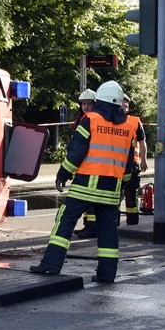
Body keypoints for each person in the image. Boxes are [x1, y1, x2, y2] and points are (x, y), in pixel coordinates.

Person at [30, 81, 136, 283]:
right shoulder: (128, 126)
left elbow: (76, 151)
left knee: (66, 220)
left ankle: (51, 264)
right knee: (108, 231)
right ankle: (107, 274)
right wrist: (123, 185)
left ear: (100, 101)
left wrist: (63, 173)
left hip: (85, 185)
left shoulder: (91, 120)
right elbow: (129, 163)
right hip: (111, 190)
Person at [72, 88, 100, 239]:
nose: (86, 107)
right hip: (84, 165)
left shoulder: (95, 120)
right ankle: (87, 226)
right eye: (83, 104)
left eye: (89, 104)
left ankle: (92, 228)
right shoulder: (82, 120)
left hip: (92, 165)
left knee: (90, 199)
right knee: (85, 198)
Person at [120, 95, 148, 225]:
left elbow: (142, 142)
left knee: (131, 195)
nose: (124, 107)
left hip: (133, 165)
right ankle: (115, 223)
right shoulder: (112, 120)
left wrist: (144, 160)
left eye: (126, 104)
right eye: (122, 104)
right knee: (116, 197)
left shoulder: (135, 121)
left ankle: (132, 222)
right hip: (117, 165)